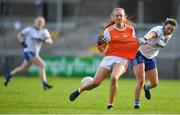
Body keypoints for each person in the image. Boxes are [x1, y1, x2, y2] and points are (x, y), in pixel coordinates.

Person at [69, 7, 140, 109]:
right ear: (113, 17)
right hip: (109, 57)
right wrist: (99, 44)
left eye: (121, 15)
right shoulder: (108, 30)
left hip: (123, 59)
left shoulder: (130, 29)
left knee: (114, 78)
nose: (119, 17)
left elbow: (133, 44)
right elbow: (102, 50)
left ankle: (110, 104)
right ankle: (79, 90)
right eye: (117, 15)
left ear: (124, 17)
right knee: (95, 83)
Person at [130, 18, 177, 109]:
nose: (170, 31)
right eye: (168, 28)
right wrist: (145, 38)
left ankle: (146, 87)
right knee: (141, 80)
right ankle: (137, 103)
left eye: (172, 30)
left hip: (151, 58)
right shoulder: (158, 30)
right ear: (164, 26)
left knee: (154, 83)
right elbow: (152, 34)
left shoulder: (169, 35)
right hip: (139, 54)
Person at [4, 16, 53, 90]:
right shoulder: (29, 29)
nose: (39, 23)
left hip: (35, 53)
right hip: (28, 52)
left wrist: (44, 40)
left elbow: (50, 41)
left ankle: (9, 75)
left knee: (22, 68)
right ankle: (44, 84)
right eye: (38, 21)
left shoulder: (44, 31)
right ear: (35, 22)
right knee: (42, 65)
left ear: (43, 23)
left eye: (41, 22)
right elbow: (19, 35)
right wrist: (23, 44)